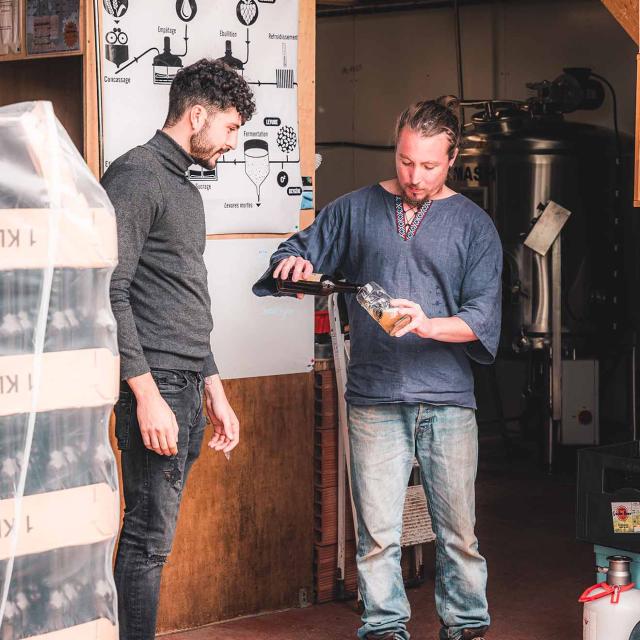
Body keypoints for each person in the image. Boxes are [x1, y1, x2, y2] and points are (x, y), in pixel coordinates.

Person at [253, 97, 502, 640]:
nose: (415, 176)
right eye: (406, 161)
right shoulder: (354, 209)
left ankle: (464, 627)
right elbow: (294, 252)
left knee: (458, 533)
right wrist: (291, 265)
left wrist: (429, 323)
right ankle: (385, 628)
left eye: (429, 165)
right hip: (374, 397)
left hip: (448, 399)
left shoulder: (475, 226)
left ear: (452, 157)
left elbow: (483, 317)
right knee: (378, 534)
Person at [102, 58, 255, 640]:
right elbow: (110, 290)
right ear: (196, 115)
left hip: (186, 386)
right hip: (156, 386)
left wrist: (215, 390)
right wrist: (144, 394)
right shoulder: (137, 176)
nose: (233, 142)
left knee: (154, 539)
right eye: (230, 127)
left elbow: (184, 299)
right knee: (147, 538)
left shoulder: (183, 188)